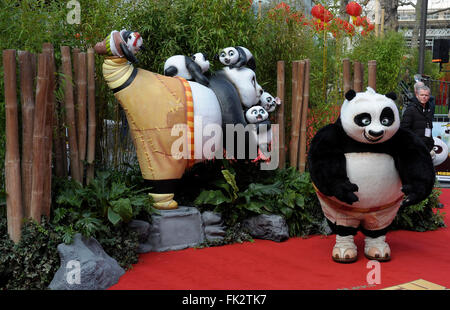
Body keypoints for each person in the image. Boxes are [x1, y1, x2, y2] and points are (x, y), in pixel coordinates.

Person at [400, 84, 435, 153]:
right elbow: (404, 129)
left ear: (429, 97)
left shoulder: (429, 109)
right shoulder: (410, 109)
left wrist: (431, 143)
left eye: (426, 95)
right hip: (414, 148)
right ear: (417, 96)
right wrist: (413, 143)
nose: (424, 97)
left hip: (426, 147)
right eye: (422, 95)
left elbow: (429, 127)